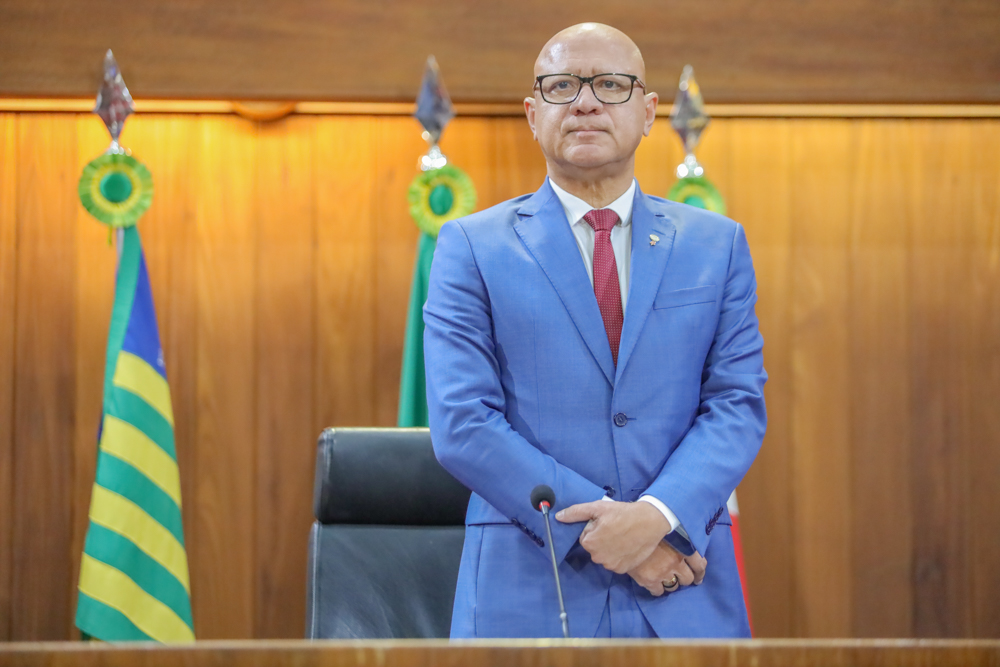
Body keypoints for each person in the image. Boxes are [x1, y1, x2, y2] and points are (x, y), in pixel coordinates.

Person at [423, 22, 766, 639]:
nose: (585, 102)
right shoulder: (471, 247)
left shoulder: (717, 246)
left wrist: (656, 518)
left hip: (682, 581)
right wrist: (612, 535)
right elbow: (463, 423)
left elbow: (736, 404)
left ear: (648, 111)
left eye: (610, 84)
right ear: (533, 114)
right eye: (562, 87)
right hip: (528, 590)